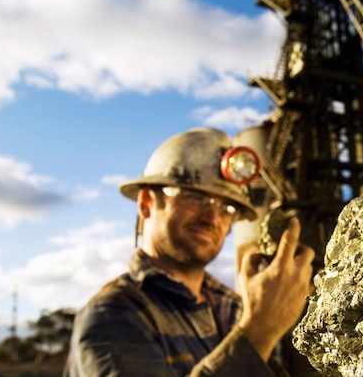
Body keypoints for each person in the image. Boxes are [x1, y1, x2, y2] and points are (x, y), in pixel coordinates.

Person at [64, 127, 315, 376]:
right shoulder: (113, 315)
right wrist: (258, 331)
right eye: (195, 197)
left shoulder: (233, 309)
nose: (212, 218)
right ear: (147, 203)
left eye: (226, 207)